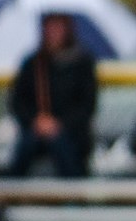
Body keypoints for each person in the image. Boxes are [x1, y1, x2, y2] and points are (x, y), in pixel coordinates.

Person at [6, 12, 98, 178]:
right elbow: (17, 102)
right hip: (37, 132)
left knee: (63, 146)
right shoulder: (33, 64)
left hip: (72, 134)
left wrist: (59, 124)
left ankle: (73, 196)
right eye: (49, 26)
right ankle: (12, 192)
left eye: (58, 26)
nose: (53, 31)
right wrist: (37, 121)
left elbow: (87, 106)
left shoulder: (82, 63)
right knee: (27, 147)